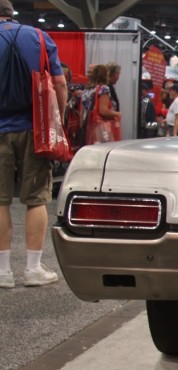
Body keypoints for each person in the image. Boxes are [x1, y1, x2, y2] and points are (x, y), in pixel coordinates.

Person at [0, 0, 67, 288]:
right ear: (11, 13)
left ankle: (2, 272)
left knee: (0, 200)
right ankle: (32, 268)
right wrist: (58, 122)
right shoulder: (39, 37)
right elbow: (60, 83)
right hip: (36, 128)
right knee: (36, 198)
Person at [80, 64, 122, 145]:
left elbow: (81, 113)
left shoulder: (86, 90)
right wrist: (117, 114)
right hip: (98, 129)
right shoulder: (103, 89)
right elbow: (103, 111)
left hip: (86, 129)